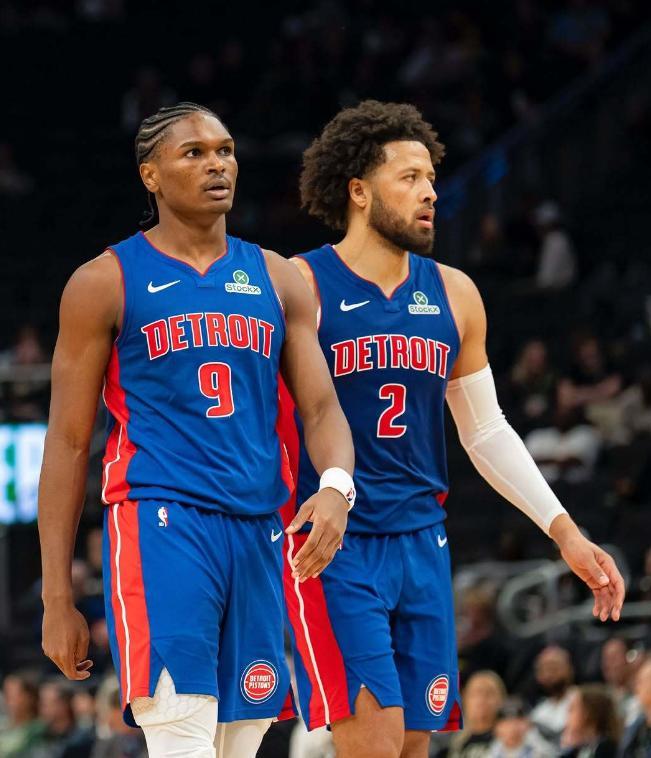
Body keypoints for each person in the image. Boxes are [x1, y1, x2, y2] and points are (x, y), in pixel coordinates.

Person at [280, 99, 625, 758]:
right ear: (358, 191)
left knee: (415, 745)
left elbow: (485, 430)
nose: (430, 192)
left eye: (431, 178)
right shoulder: (301, 283)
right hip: (335, 543)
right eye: (408, 177)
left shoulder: (455, 293)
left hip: (422, 541)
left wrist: (565, 532)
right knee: (375, 742)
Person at [38, 101, 355, 758]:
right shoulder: (103, 282)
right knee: (181, 728)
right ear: (150, 175)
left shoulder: (276, 276)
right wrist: (57, 596)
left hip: (259, 528)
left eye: (226, 150)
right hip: (163, 521)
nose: (218, 165)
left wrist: (335, 487)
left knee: (243, 739)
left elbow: (322, 409)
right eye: (195, 153)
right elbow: (67, 444)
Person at [529, 646, 575, 744]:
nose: (549, 674)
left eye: (554, 667)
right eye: (543, 669)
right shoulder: (538, 712)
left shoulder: (582, 701)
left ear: (569, 669)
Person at [560, 684, 620, 757]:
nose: (567, 713)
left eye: (572, 708)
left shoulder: (606, 748)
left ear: (588, 713)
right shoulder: (580, 747)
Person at [487, 697, 554, 758]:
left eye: (517, 721)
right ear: (496, 727)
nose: (512, 727)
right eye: (506, 723)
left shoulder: (540, 750)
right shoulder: (492, 751)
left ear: (527, 724)